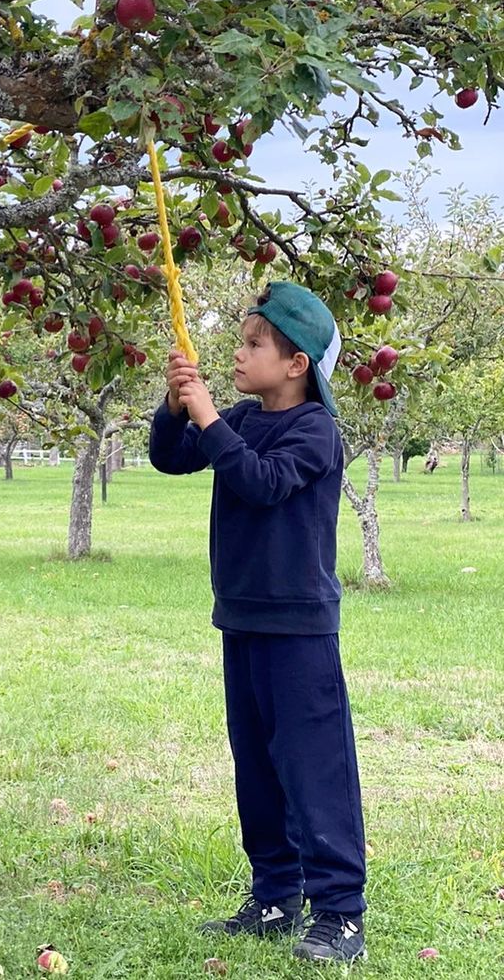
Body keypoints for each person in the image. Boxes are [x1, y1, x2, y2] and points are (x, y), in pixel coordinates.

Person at [149, 282, 367, 965]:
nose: (238, 356)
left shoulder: (315, 431)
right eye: (240, 342)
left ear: (297, 363)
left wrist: (209, 415)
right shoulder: (241, 418)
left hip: (299, 629)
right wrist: (175, 405)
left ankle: (341, 913)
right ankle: (275, 897)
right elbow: (171, 456)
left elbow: (262, 483)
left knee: (313, 769)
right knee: (259, 769)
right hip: (240, 618)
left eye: (253, 344)